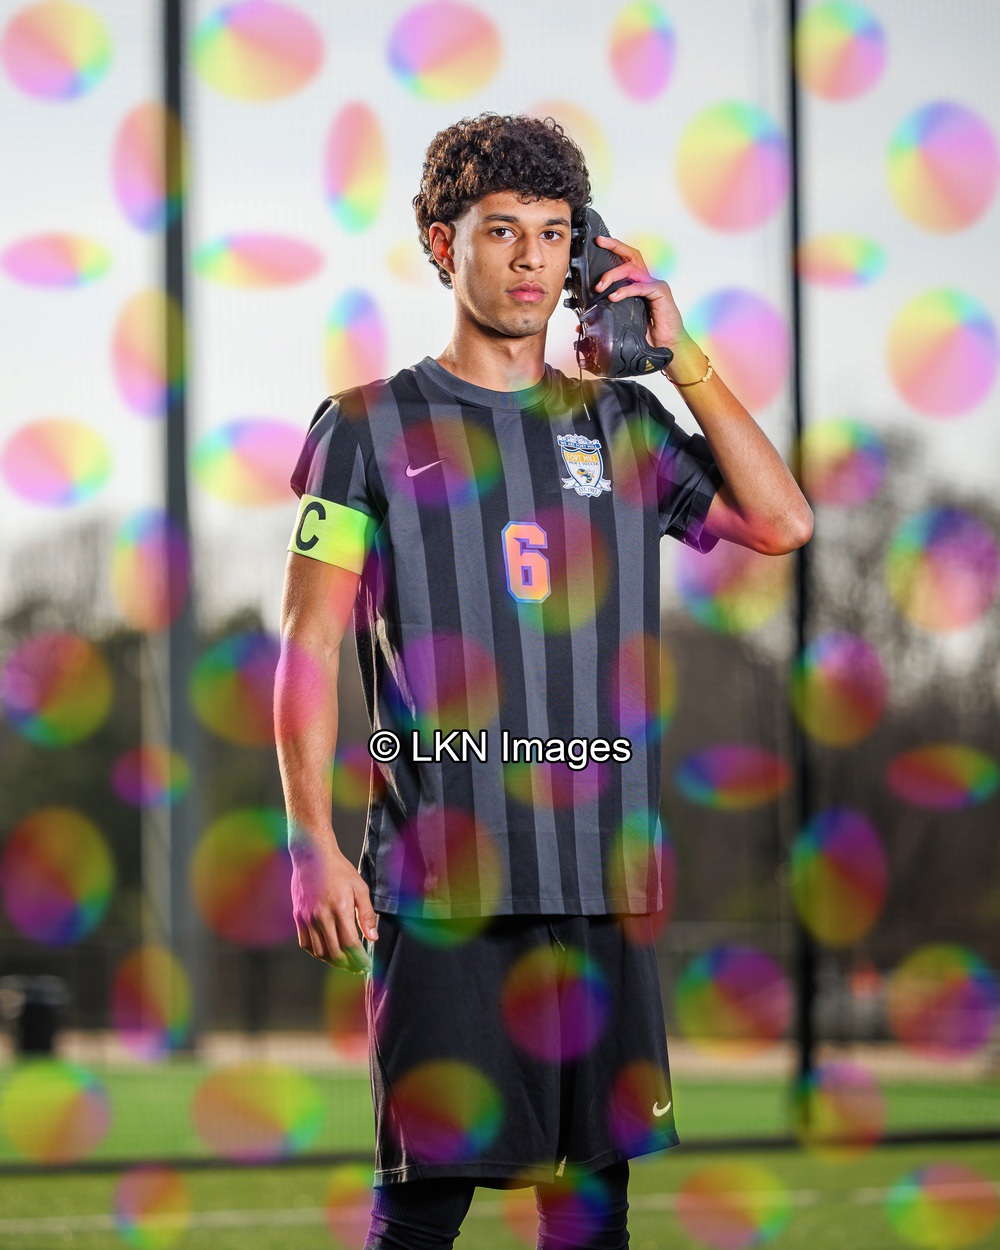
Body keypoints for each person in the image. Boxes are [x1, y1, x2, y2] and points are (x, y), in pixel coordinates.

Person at [274, 112, 813, 1250]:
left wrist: (680, 354)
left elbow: (781, 521)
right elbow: (309, 642)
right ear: (442, 243)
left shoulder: (621, 423)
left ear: (582, 252)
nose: (530, 259)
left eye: (554, 234)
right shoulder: (366, 427)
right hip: (442, 886)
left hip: (600, 877)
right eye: (502, 230)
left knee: (592, 1213)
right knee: (424, 1211)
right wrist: (311, 838)